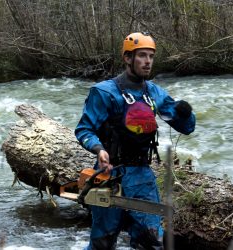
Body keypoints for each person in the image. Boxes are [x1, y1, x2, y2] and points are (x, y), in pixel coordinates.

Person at [75, 32, 196, 249]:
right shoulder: (104, 92)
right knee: (103, 243)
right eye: (141, 55)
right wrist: (98, 149)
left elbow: (185, 127)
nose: (147, 61)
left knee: (152, 241)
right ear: (128, 58)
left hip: (143, 177)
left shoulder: (155, 94)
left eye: (150, 56)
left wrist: (185, 114)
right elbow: (84, 129)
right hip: (110, 175)